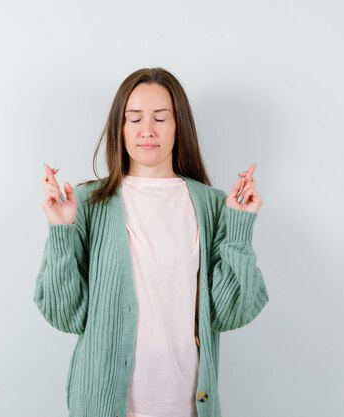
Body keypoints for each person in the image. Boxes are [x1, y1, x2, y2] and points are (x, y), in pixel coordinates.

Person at [34, 67, 269, 417]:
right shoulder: (87, 203)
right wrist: (61, 231)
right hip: (102, 406)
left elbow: (232, 312)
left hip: (187, 405)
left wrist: (238, 223)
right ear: (120, 127)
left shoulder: (212, 205)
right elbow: (63, 314)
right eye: (134, 119)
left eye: (161, 118)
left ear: (179, 127)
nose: (147, 130)